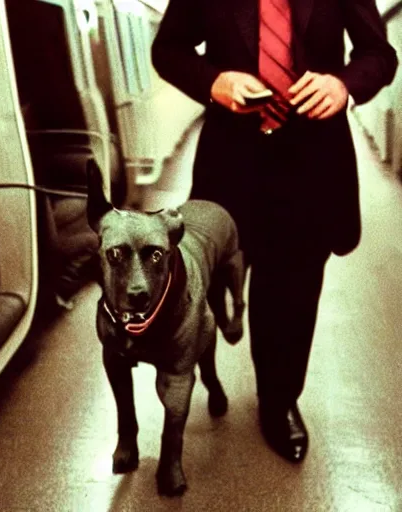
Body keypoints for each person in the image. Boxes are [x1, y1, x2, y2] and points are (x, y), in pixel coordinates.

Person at [151, 0, 398, 463]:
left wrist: (343, 85)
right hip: (231, 161)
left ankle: (279, 400)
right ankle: (213, 341)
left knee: (294, 293)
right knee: (208, 284)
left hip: (313, 163)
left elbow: (380, 54)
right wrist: (212, 82)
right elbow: (168, 50)